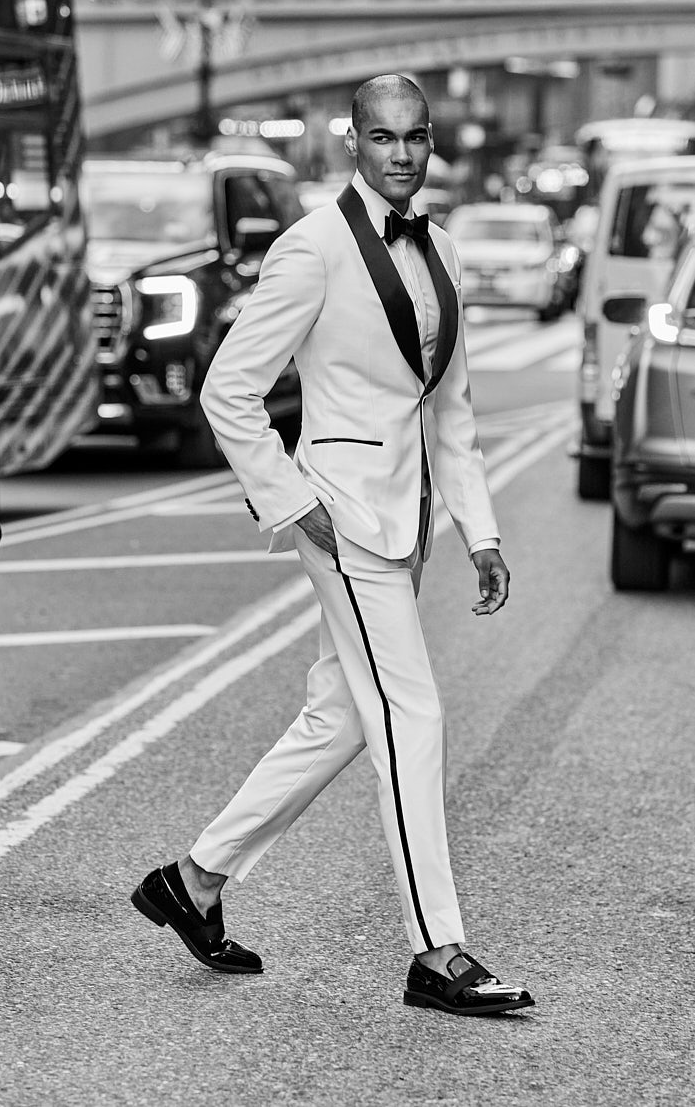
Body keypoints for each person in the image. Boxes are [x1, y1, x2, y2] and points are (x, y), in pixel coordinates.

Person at [132, 74, 534, 1017]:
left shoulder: (440, 247)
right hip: (342, 517)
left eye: (415, 136)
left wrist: (479, 531)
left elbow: (449, 409)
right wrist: (288, 498)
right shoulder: (311, 247)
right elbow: (228, 389)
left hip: (409, 518)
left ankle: (192, 881)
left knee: (343, 716)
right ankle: (437, 950)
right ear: (352, 141)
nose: (401, 154)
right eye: (382, 137)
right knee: (410, 712)